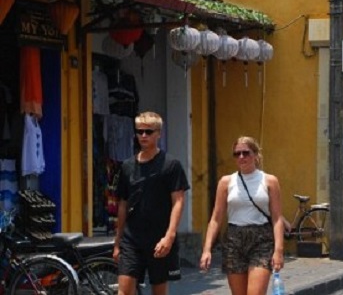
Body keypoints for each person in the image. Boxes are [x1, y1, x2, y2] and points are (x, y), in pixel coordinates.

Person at [114, 112, 190, 295]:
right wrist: (117, 241)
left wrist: (169, 236)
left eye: (148, 131)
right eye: (140, 131)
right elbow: (123, 204)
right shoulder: (127, 166)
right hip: (132, 239)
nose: (143, 136)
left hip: (159, 237)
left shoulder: (171, 165)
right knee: (124, 290)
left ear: (158, 134)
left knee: (159, 289)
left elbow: (178, 201)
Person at [200, 136, 285, 295]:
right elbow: (216, 218)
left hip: (261, 239)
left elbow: (277, 218)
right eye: (237, 154)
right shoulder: (226, 182)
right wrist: (207, 249)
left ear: (255, 154)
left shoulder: (269, 181)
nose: (241, 157)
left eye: (245, 153)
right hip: (234, 240)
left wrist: (278, 250)